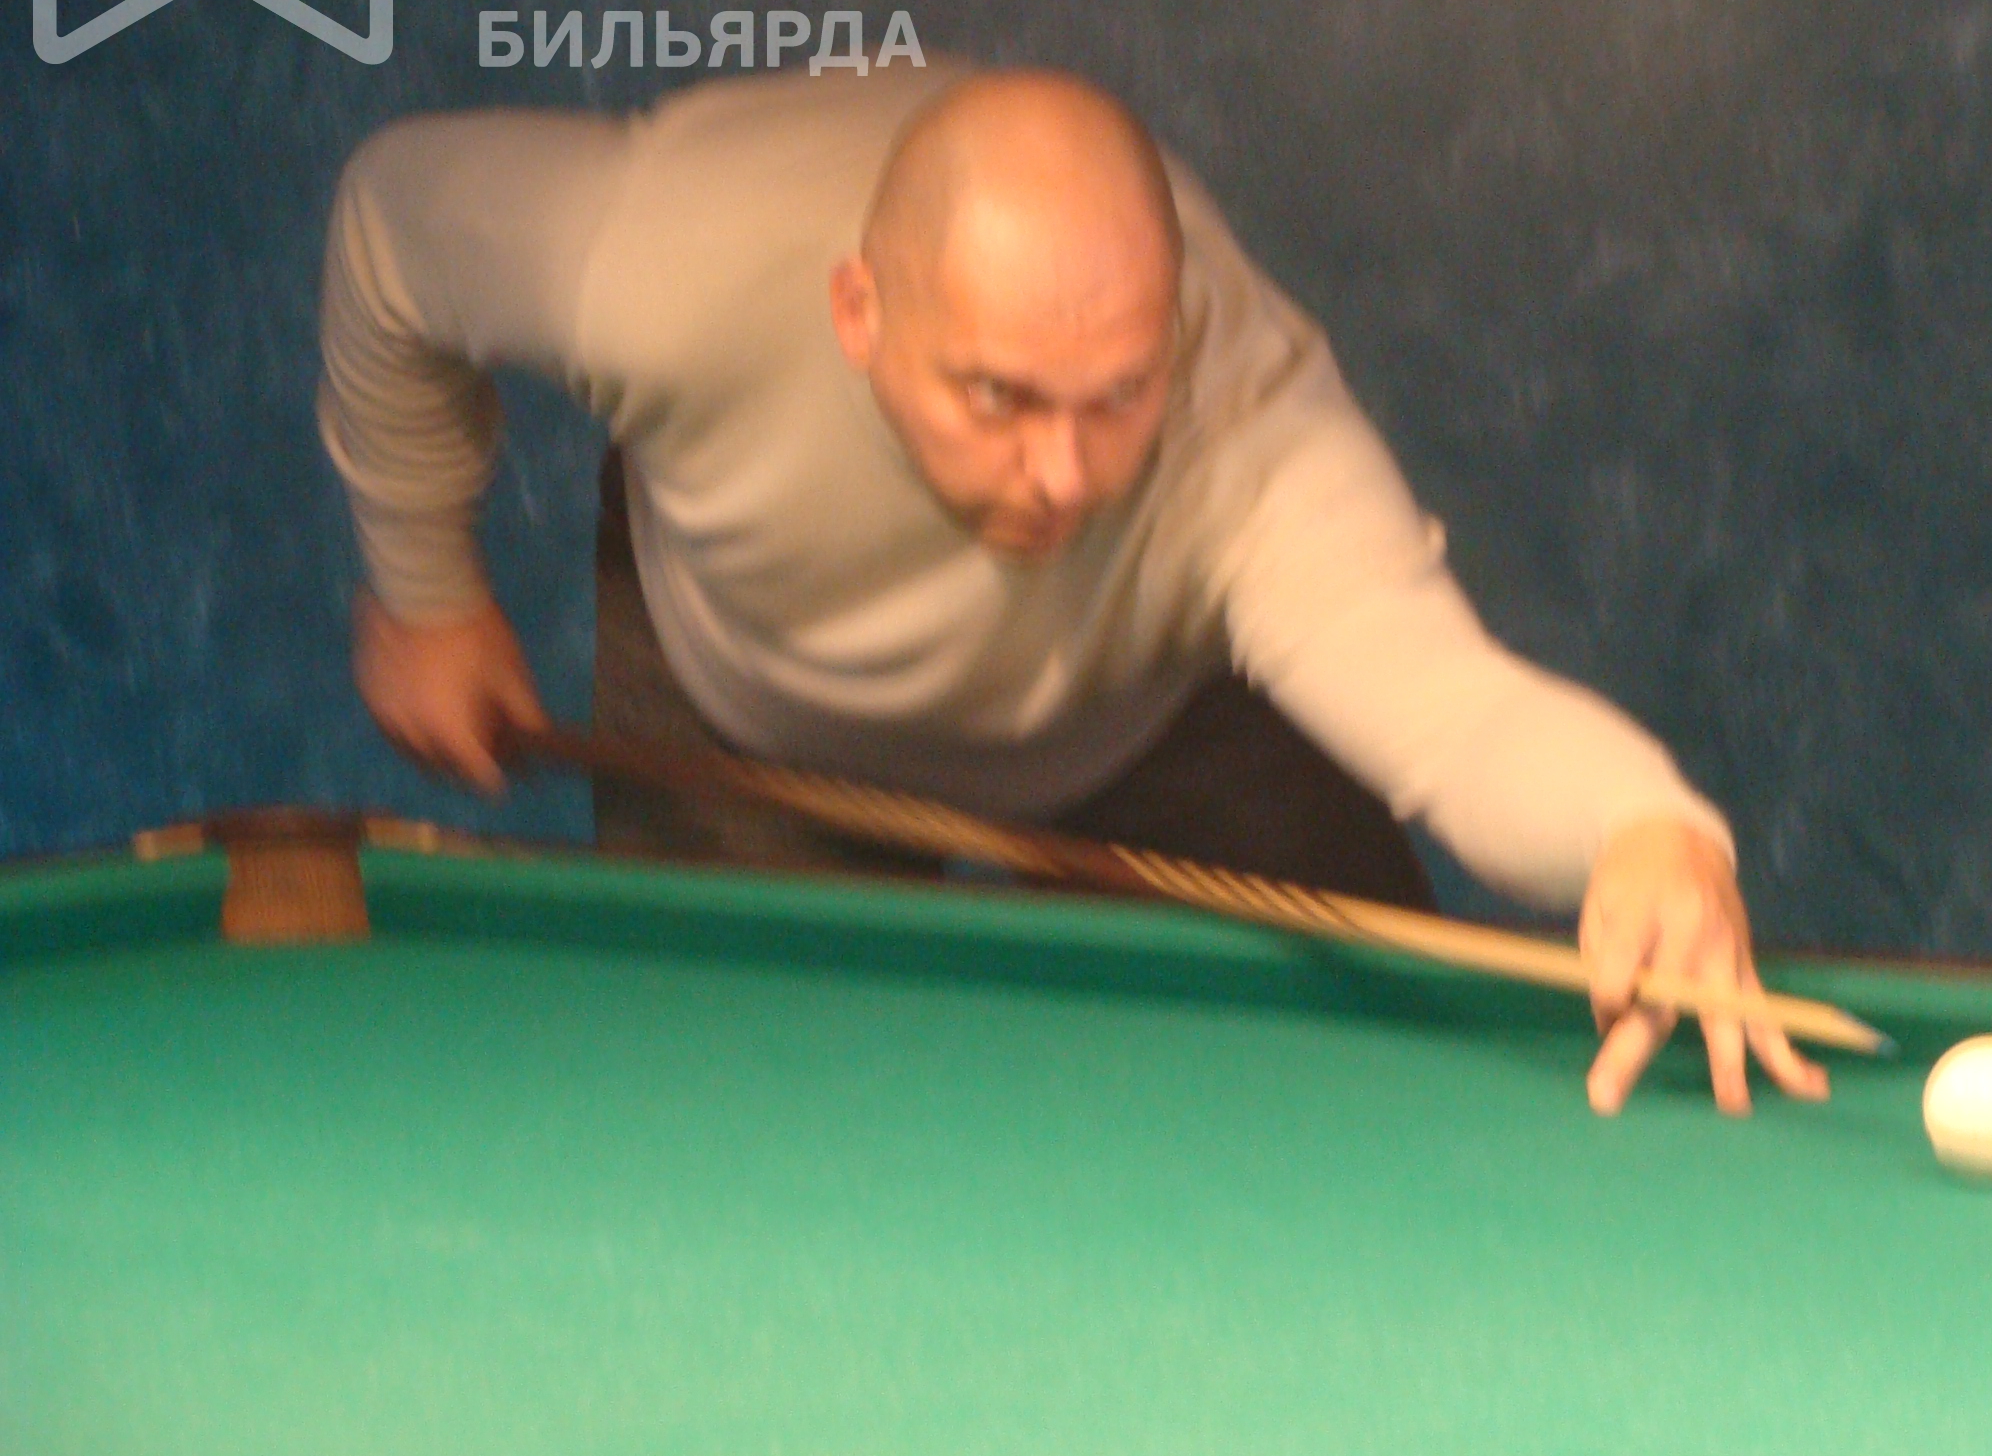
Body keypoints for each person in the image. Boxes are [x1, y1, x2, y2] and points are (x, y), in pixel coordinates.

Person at [320, 61, 1826, 1116]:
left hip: (1148, 715)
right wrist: (424, 586)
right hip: (746, 704)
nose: (1063, 475)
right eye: (996, 397)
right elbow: (392, 226)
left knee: (1365, 1090)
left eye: (1118, 397)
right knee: (732, 1125)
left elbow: (1448, 710)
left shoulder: (1250, 433)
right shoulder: (659, 258)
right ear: (857, 311)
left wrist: (1644, 827)